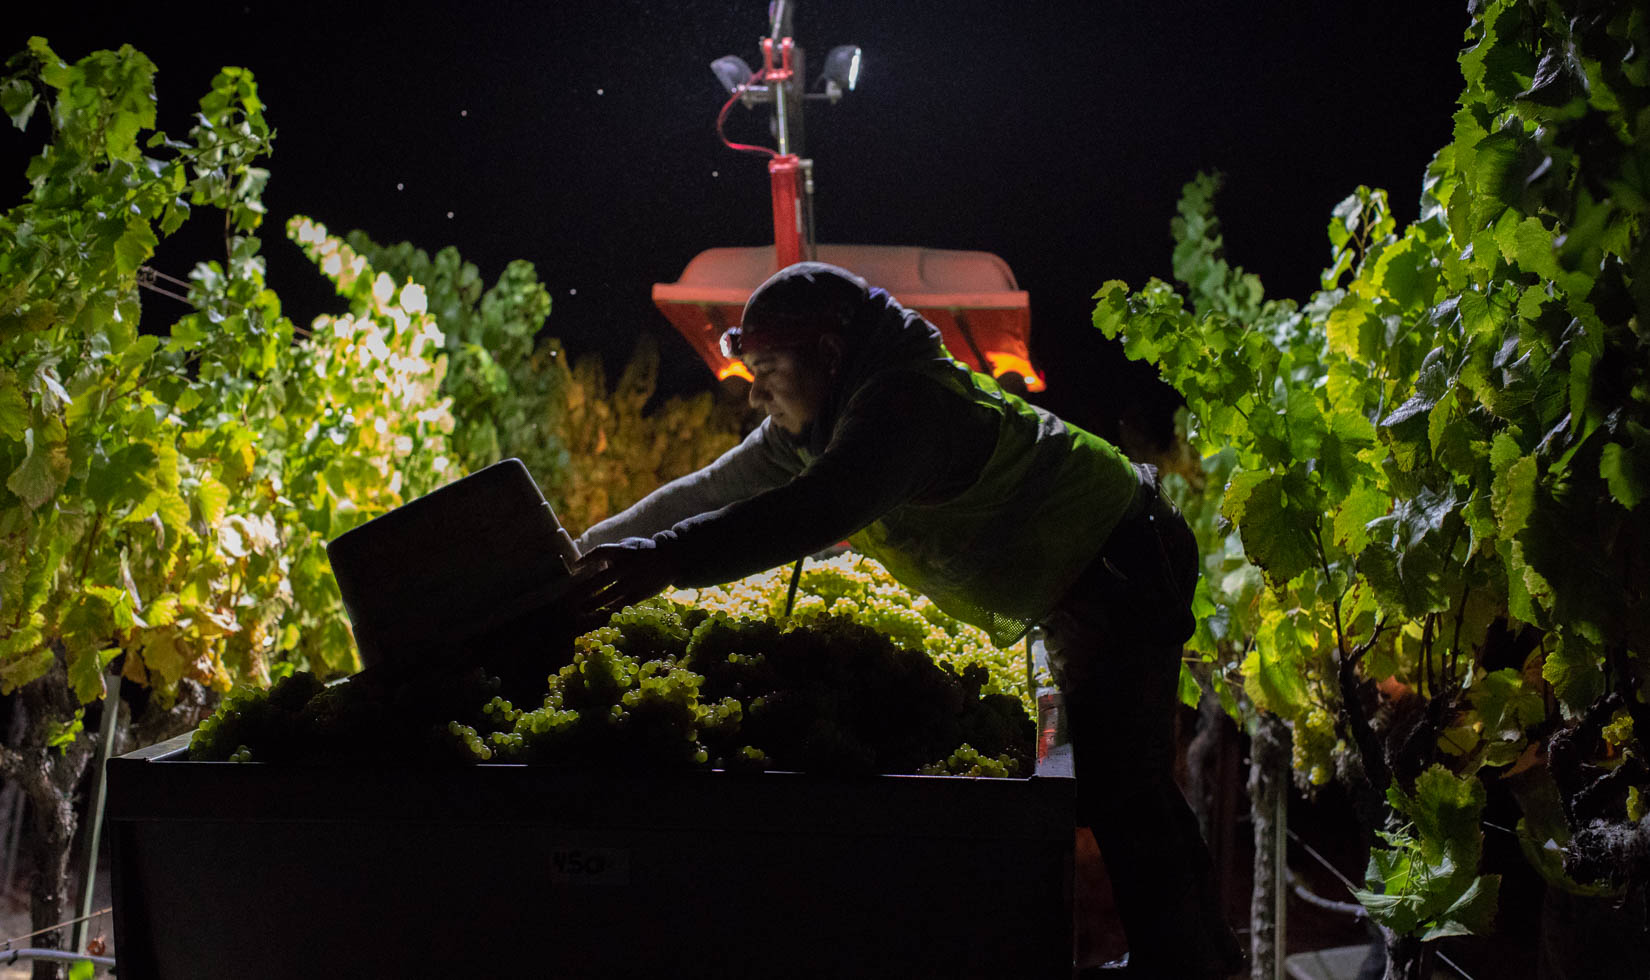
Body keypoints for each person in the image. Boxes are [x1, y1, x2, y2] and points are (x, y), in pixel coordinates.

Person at [568, 261, 1243, 978]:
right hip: (1088, 570)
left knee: (1122, 787)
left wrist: (662, 561)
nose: (755, 390)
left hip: (1121, 561)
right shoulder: (824, 417)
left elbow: (815, 510)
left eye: (767, 368)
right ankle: (1202, 953)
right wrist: (591, 548)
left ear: (828, 355)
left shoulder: (905, 406)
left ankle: (1184, 964)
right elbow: (710, 490)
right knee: (1128, 786)